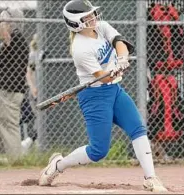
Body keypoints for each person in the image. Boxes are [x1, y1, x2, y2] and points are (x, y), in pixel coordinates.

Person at [38, 0, 167, 192]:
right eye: (87, 17)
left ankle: (151, 178)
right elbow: (102, 78)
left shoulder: (101, 27)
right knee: (98, 151)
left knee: (138, 128)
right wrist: (114, 71)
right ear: (76, 23)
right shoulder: (80, 49)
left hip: (114, 91)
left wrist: (122, 59)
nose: (93, 18)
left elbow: (119, 42)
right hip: (94, 96)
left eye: (91, 14)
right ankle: (58, 165)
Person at [0, 8, 29, 162]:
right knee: (6, 124)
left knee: (9, 125)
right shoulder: (14, 39)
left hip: (9, 91)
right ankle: (13, 158)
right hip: (9, 90)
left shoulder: (15, 38)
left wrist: (4, 24)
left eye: (3, 21)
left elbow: (5, 35)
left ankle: (16, 160)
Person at [21, 34, 40, 151]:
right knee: (39, 117)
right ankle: (29, 141)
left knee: (42, 119)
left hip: (46, 91)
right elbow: (28, 73)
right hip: (36, 90)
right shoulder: (33, 54)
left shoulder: (44, 53)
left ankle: (31, 142)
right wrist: (33, 87)